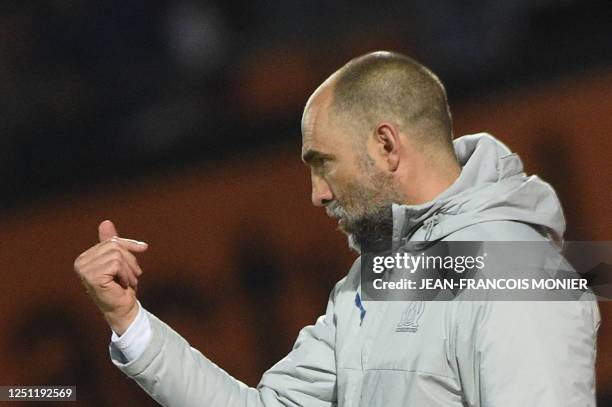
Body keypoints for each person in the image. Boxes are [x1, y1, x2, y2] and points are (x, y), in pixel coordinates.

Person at [74, 51, 600, 406]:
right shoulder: (372, 283)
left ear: (387, 146)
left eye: (323, 163)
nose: (317, 193)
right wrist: (130, 322)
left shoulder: (520, 272)